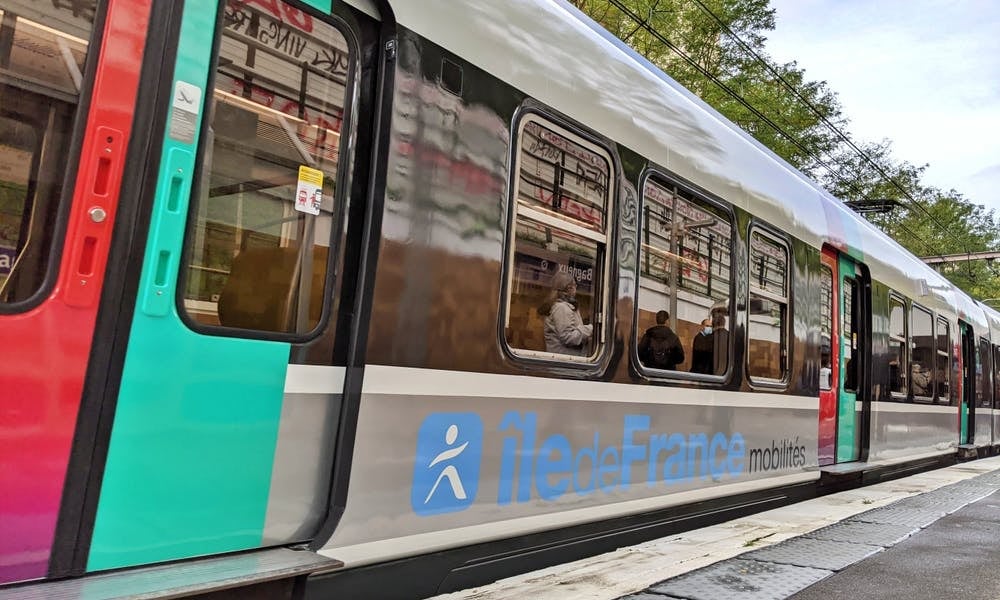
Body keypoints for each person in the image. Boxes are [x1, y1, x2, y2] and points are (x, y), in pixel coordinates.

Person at [539, 272, 592, 356]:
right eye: (575, 286)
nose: (576, 288)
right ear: (569, 288)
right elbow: (568, 337)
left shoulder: (563, 306)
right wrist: (590, 329)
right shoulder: (561, 308)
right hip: (564, 362)